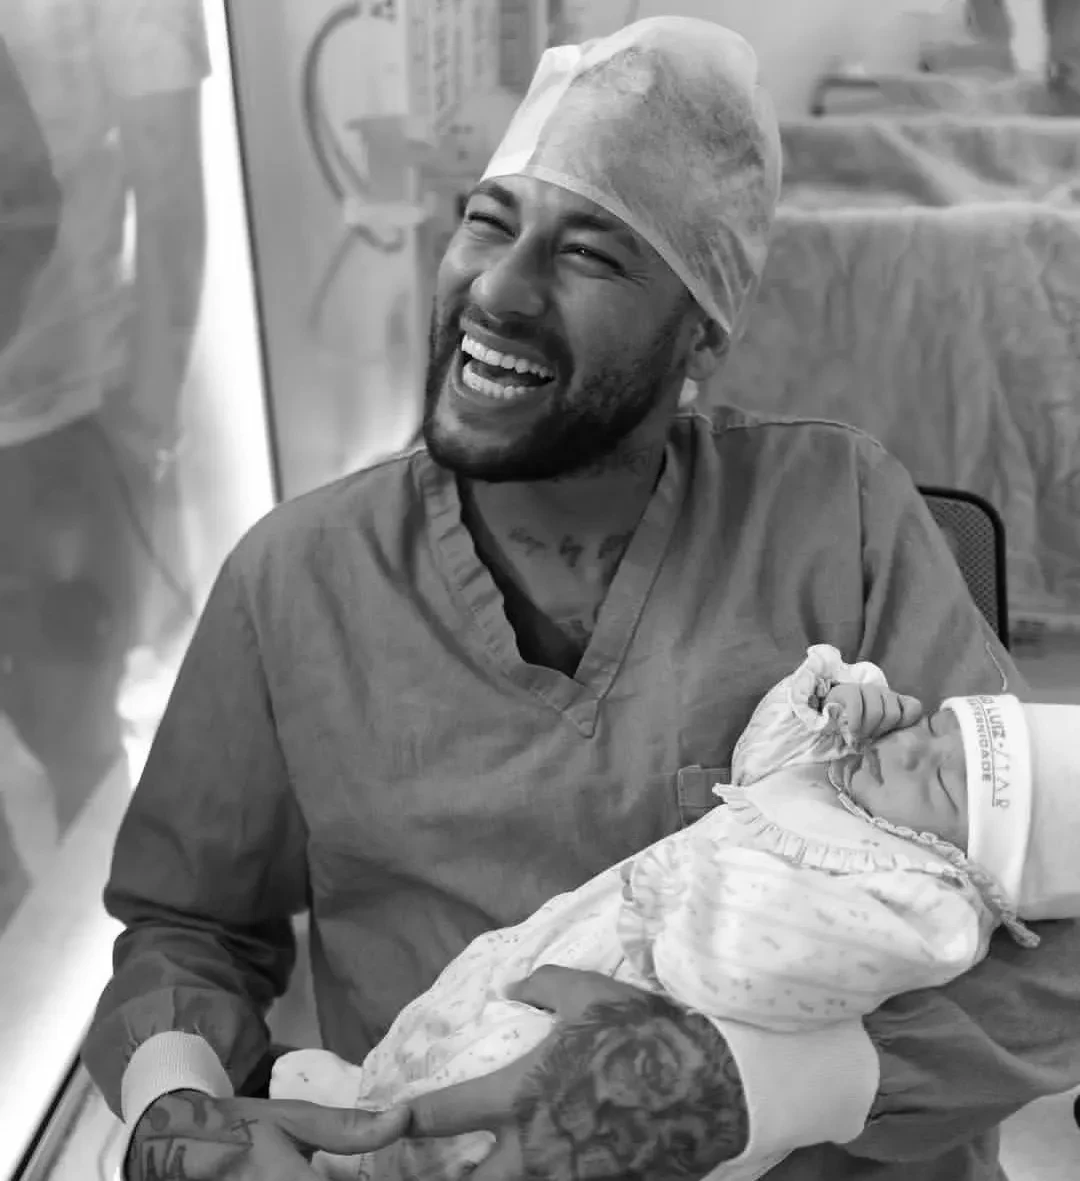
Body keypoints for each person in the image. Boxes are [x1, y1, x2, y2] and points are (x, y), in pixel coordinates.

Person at [81, 16, 1080, 1181]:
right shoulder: (297, 578)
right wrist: (179, 1111)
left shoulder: (835, 518)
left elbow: (1056, 951)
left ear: (698, 339)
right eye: (488, 221)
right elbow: (189, 926)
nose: (500, 290)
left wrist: (749, 1087)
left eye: (592, 254)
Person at [269, 644, 1080, 1181]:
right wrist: (829, 707)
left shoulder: (923, 901)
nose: (906, 748)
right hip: (586, 934)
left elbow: (770, 962)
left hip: (654, 981)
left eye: (938, 779)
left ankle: (382, 1153)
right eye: (932, 727)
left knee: (517, 1077)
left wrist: (679, 903)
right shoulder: (853, 788)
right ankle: (369, 1097)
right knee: (472, 993)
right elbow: (762, 764)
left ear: (984, 865)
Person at [0, 0, 208, 851]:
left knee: (78, 750)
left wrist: (142, 428)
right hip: (61, 421)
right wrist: (143, 431)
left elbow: (170, 192)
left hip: (58, 424)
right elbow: (169, 190)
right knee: (80, 752)